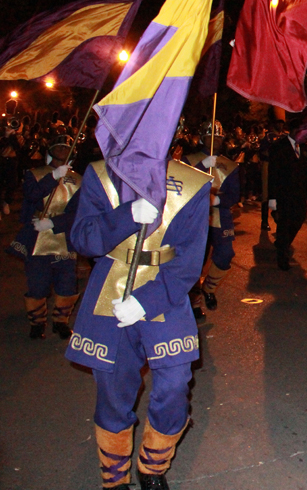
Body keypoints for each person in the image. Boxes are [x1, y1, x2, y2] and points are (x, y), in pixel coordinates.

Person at [66, 157, 211, 490]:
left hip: (166, 289)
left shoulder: (193, 182)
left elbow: (189, 261)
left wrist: (146, 301)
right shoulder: (100, 174)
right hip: (110, 288)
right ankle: (114, 478)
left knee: (175, 383)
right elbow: (84, 240)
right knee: (114, 391)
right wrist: (127, 216)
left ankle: (153, 466)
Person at [7, 135, 81, 339]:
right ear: (50, 150)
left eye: (66, 147)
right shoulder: (35, 174)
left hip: (63, 237)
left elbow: (79, 212)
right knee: (38, 283)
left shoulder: (79, 180)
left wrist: (55, 223)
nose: (62, 150)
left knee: (67, 283)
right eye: (57, 146)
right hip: (37, 235)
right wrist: (53, 177)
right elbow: (31, 196)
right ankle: (37, 322)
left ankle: (61, 322)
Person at [183, 120, 240, 318]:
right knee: (196, 258)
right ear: (203, 138)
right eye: (210, 136)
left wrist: (217, 200)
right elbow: (182, 185)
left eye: (218, 137)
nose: (214, 140)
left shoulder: (230, 165)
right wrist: (201, 166)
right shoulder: (188, 160)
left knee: (225, 255)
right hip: (195, 216)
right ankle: (194, 300)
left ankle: (209, 289)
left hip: (220, 214)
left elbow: (235, 194)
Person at [268, 117, 307, 271]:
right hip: (284, 194)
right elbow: (273, 172)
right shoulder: (279, 146)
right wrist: (272, 198)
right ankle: (282, 257)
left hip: (300, 194)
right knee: (284, 225)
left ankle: (283, 243)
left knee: (298, 221)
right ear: (293, 131)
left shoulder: (305, 148)